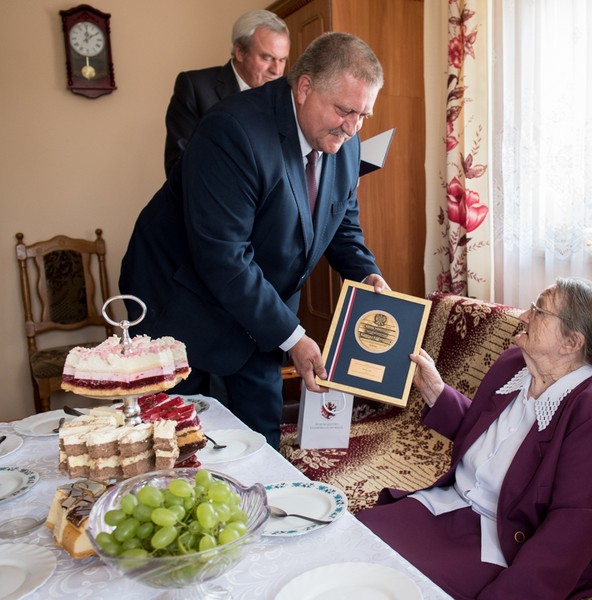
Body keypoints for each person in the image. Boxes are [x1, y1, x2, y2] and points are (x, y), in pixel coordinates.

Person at [119, 32, 389, 450]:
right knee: (182, 447)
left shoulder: (344, 142)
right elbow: (224, 257)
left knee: (260, 443)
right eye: (344, 110)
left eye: (363, 116)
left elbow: (341, 222)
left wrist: (367, 273)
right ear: (304, 87)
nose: (353, 127)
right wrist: (294, 337)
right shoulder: (233, 132)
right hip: (181, 301)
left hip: (260, 311)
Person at [357, 278, 592, 599]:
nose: (523, 317)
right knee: (354, 543)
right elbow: (485, 441)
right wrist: (436, 392)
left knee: (405, 587)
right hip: (452, 506)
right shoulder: (514, 364)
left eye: (538, 311)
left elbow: (570, 531)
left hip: (508, 540)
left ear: (571, 343)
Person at [163, 9, 290, 176]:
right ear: (239, 52)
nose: (277, 70)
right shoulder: (195, 87)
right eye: (267, 58)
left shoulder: (287, 95)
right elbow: (178, 166)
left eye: (282, 60)